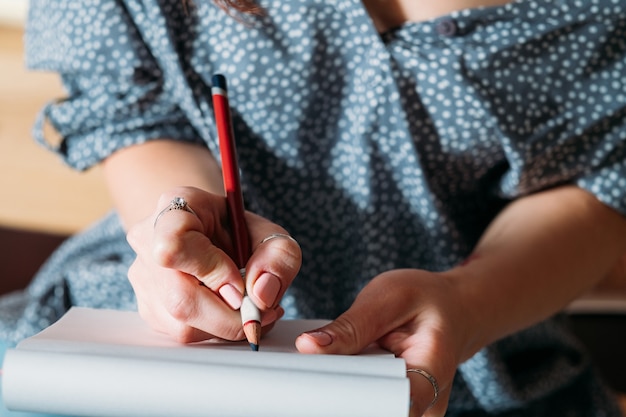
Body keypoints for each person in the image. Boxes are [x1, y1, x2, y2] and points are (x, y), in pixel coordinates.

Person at [1, 0, 625, 415]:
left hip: (460, 360)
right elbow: (140, 119)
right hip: (143, 330)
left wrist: (467, 302)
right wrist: (179, 227)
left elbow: (602, 183)